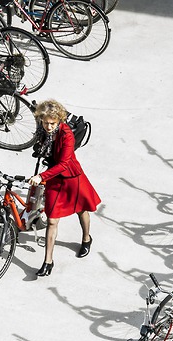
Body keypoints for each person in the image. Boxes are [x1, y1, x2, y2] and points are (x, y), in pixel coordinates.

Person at [28, 99, 101, 276]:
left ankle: (86, 238)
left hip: (71, 177)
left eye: (52, 123)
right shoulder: (43, 128)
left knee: (81, 209)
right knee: (52, 219)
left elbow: (64, 164)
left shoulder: (67, 134)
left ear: (59, 120)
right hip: (54, 177)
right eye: (45, 123)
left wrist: (41, 176)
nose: (48, 126)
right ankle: (48, 261)